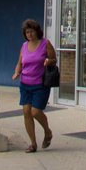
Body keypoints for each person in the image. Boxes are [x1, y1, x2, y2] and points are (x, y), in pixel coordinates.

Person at [12, 18, 56, 152]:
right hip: (25, 84)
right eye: (27, 33)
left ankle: (47, 131)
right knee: (26, 113)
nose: (29, 35)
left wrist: (49, 62)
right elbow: (20, 62)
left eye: (31, 32)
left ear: (37, 31)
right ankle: (33, 144)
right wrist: (16, 72)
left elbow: (54, 59)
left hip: (40, 84)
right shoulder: (24, 46)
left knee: (35, 112)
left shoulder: (45, 44)